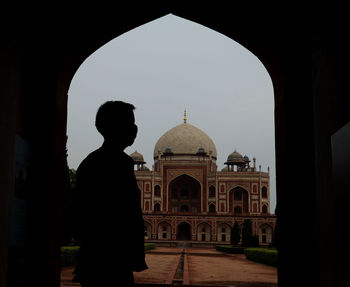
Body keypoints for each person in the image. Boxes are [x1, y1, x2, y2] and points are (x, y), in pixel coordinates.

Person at [71, 101, 148, 287]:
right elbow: (125, 213)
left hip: (98, 258)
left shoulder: (94, 161)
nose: (135, 128)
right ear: (114, 127)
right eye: (130, 122)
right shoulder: (115, 163)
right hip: (109, 259)